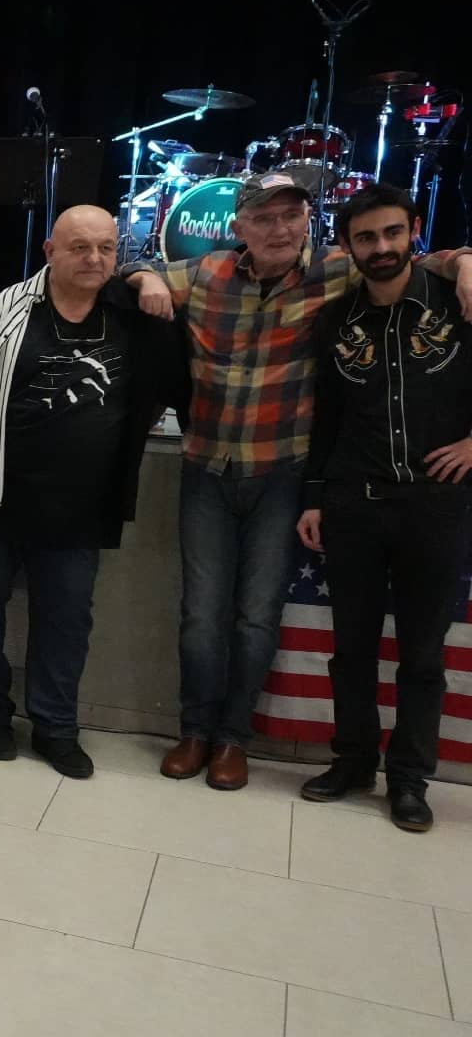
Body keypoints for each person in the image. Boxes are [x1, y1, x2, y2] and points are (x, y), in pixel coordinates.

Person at [125, 172, 472, 790]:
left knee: (257, 617)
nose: (278, 229)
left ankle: (234, 739)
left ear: (311, 219)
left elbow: (422, 257)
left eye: (291, 215)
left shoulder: (341, 269)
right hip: (207, 466)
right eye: (263, 218)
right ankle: (195, 730)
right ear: (239, 228)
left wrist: (467, 260)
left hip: (284, 471)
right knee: (201, 615)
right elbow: (133, 266)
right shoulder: (205, 274)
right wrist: (147, 276)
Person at [0, 206, 185, 778]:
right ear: (50, 250)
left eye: (106, 248)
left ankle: (55, 727)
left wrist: (146, 275)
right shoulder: (4, 310)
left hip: (81, 507)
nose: (94, 258)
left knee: (67, 622)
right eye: (79, 247)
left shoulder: (130, 312)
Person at [296, 185, 472, 832]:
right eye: (366, 238)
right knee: (352, 648)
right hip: (354, 507)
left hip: (436, 508)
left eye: (392, 234)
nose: (381, 248)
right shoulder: (335, 320)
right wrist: (315, 496)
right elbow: (326, 418)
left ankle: (409, 780)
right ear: (347, 246)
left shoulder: (458, 301)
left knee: (423, 654)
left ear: (415, 230)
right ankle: (351, 762)